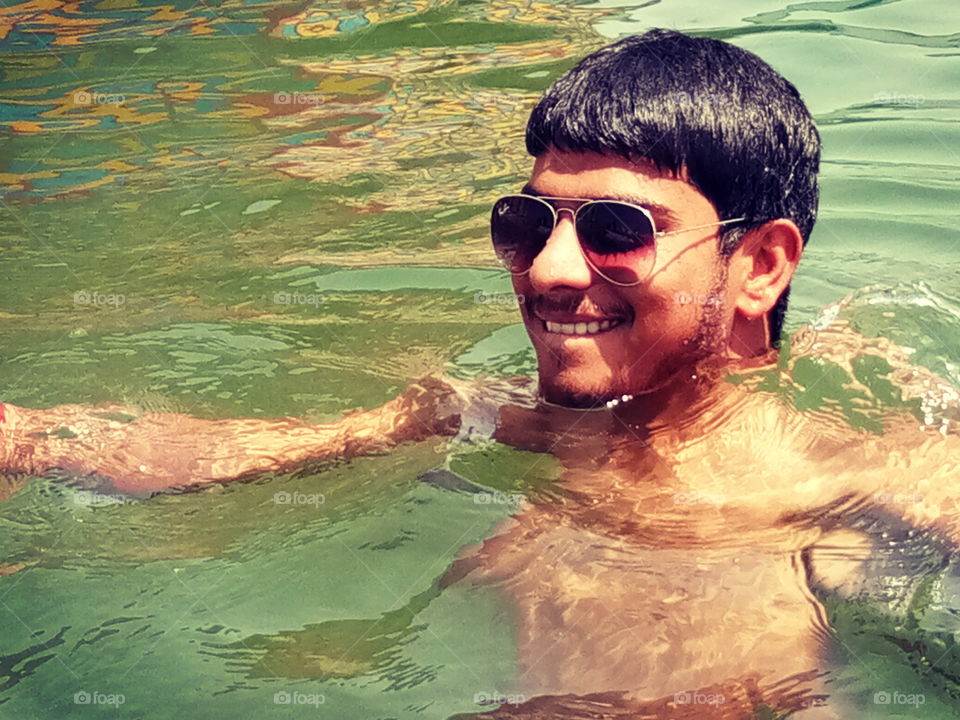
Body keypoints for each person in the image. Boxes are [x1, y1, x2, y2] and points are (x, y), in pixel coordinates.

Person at [2, 29, 959, 718]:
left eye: (619, 230)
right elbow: (217, 453)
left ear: (759, 266)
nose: (546, 269)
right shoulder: (508, 424)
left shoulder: (867, 482)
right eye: (528, 222)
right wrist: (26, 436)